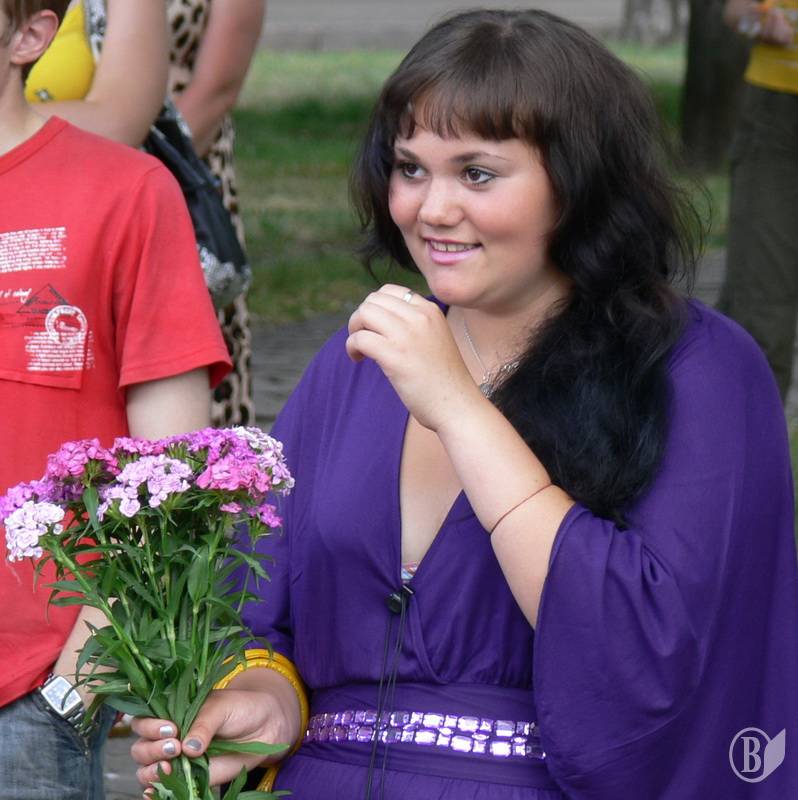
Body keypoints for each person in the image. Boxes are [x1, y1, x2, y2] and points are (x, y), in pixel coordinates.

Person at [131, 9, 798, 799]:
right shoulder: (354, 363)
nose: (432, 209)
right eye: (410, 169)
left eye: (477, 174)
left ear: (579, 182)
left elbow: (658, 652)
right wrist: (267, 699)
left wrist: (459, 408)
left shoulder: (699, 369)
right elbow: (259, 610)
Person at [0, 3, 231, 798]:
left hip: (26, 696)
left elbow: (169, 474)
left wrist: (70, 690)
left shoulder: (124, 191)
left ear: (29, 36)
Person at [25, 0, 266, 427]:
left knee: (166, 395)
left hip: (152, 180)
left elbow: (207, 92)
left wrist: (148, 189)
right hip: (52, 192)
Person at [166, 0, 267, 426]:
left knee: (190, 354)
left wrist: (129, 186)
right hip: (42, 171)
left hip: (182, 169)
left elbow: (218, 87)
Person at [719, 0, 798, 399]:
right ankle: (752, 422)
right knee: (761, 292)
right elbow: (738, 12)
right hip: (778, 113)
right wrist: (759, 20)